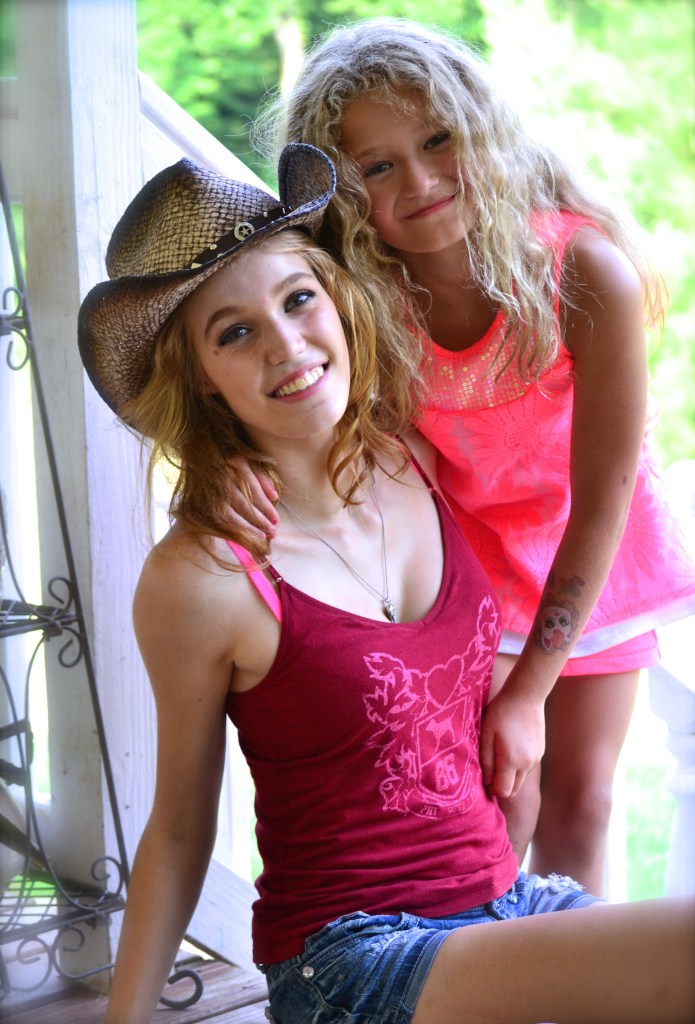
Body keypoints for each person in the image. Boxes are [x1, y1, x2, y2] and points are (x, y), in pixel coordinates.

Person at [77, 146, 695, 1024]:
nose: (286, 345)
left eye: (298, 299)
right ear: (202, 381)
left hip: (503, 907)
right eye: (233, 333)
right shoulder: (204, 577)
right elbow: (178, 831)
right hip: (352, 957)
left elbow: (543, 412)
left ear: (337, 300)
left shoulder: (416, 459)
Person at [234, 16, 695, 895]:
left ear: (481, 131)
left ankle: (573, 968)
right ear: (342, 191)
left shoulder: (583, 272)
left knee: (580, 805)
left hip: (589, 564)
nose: (419, 180)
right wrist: (235, 471)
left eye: (437, 140)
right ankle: (480, 958)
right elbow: (310, 415)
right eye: (376, 167)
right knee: (493, 805)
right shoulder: (363, 297)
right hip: (467, 569)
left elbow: (603, 498)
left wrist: (528, 691)